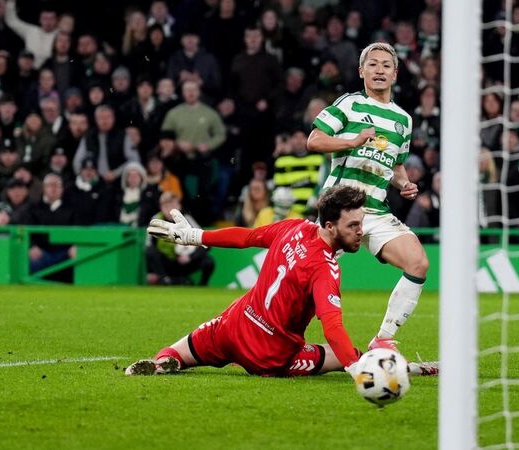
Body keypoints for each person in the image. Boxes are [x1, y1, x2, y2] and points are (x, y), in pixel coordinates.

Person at [126, 185, 437, 377]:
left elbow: (246, 237)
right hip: (270, 356)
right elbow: (332, 328)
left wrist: (196, 235)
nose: (360, 232)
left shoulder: (294, 227)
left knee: (176, 352)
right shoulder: (325, 268)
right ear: (330, 226)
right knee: (343, 355)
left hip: (232, 327)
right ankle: (389, 368)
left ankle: (163, 363)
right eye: (353, 226)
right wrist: (357, 372)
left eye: (361, 224)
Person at [307, 42, 429, 351]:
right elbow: (315, 140)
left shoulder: (403, 120)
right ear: (362, 71)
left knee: (418, 263)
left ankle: (383, 340)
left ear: (395, 74)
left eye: (386, 65)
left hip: (375, 210)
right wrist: (351, 141)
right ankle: (274, 333)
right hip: (339, 208)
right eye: (372, 64)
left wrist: (404, 183)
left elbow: (396, 164)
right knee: (305, 280)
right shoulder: (349, 104)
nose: (379, 70)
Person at [144, 191, 214, 286]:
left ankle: (202, 285)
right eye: (166, 207)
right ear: (161, 207)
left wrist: (190, 257)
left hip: (184, 261)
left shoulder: (187, 219)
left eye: (173, 206)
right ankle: (165, 279)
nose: (170, 210)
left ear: (179, 206)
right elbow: (149, 246)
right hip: (166, 262)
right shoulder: (156, 220)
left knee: (208, 261)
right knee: (150, 251)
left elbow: (205, 242)